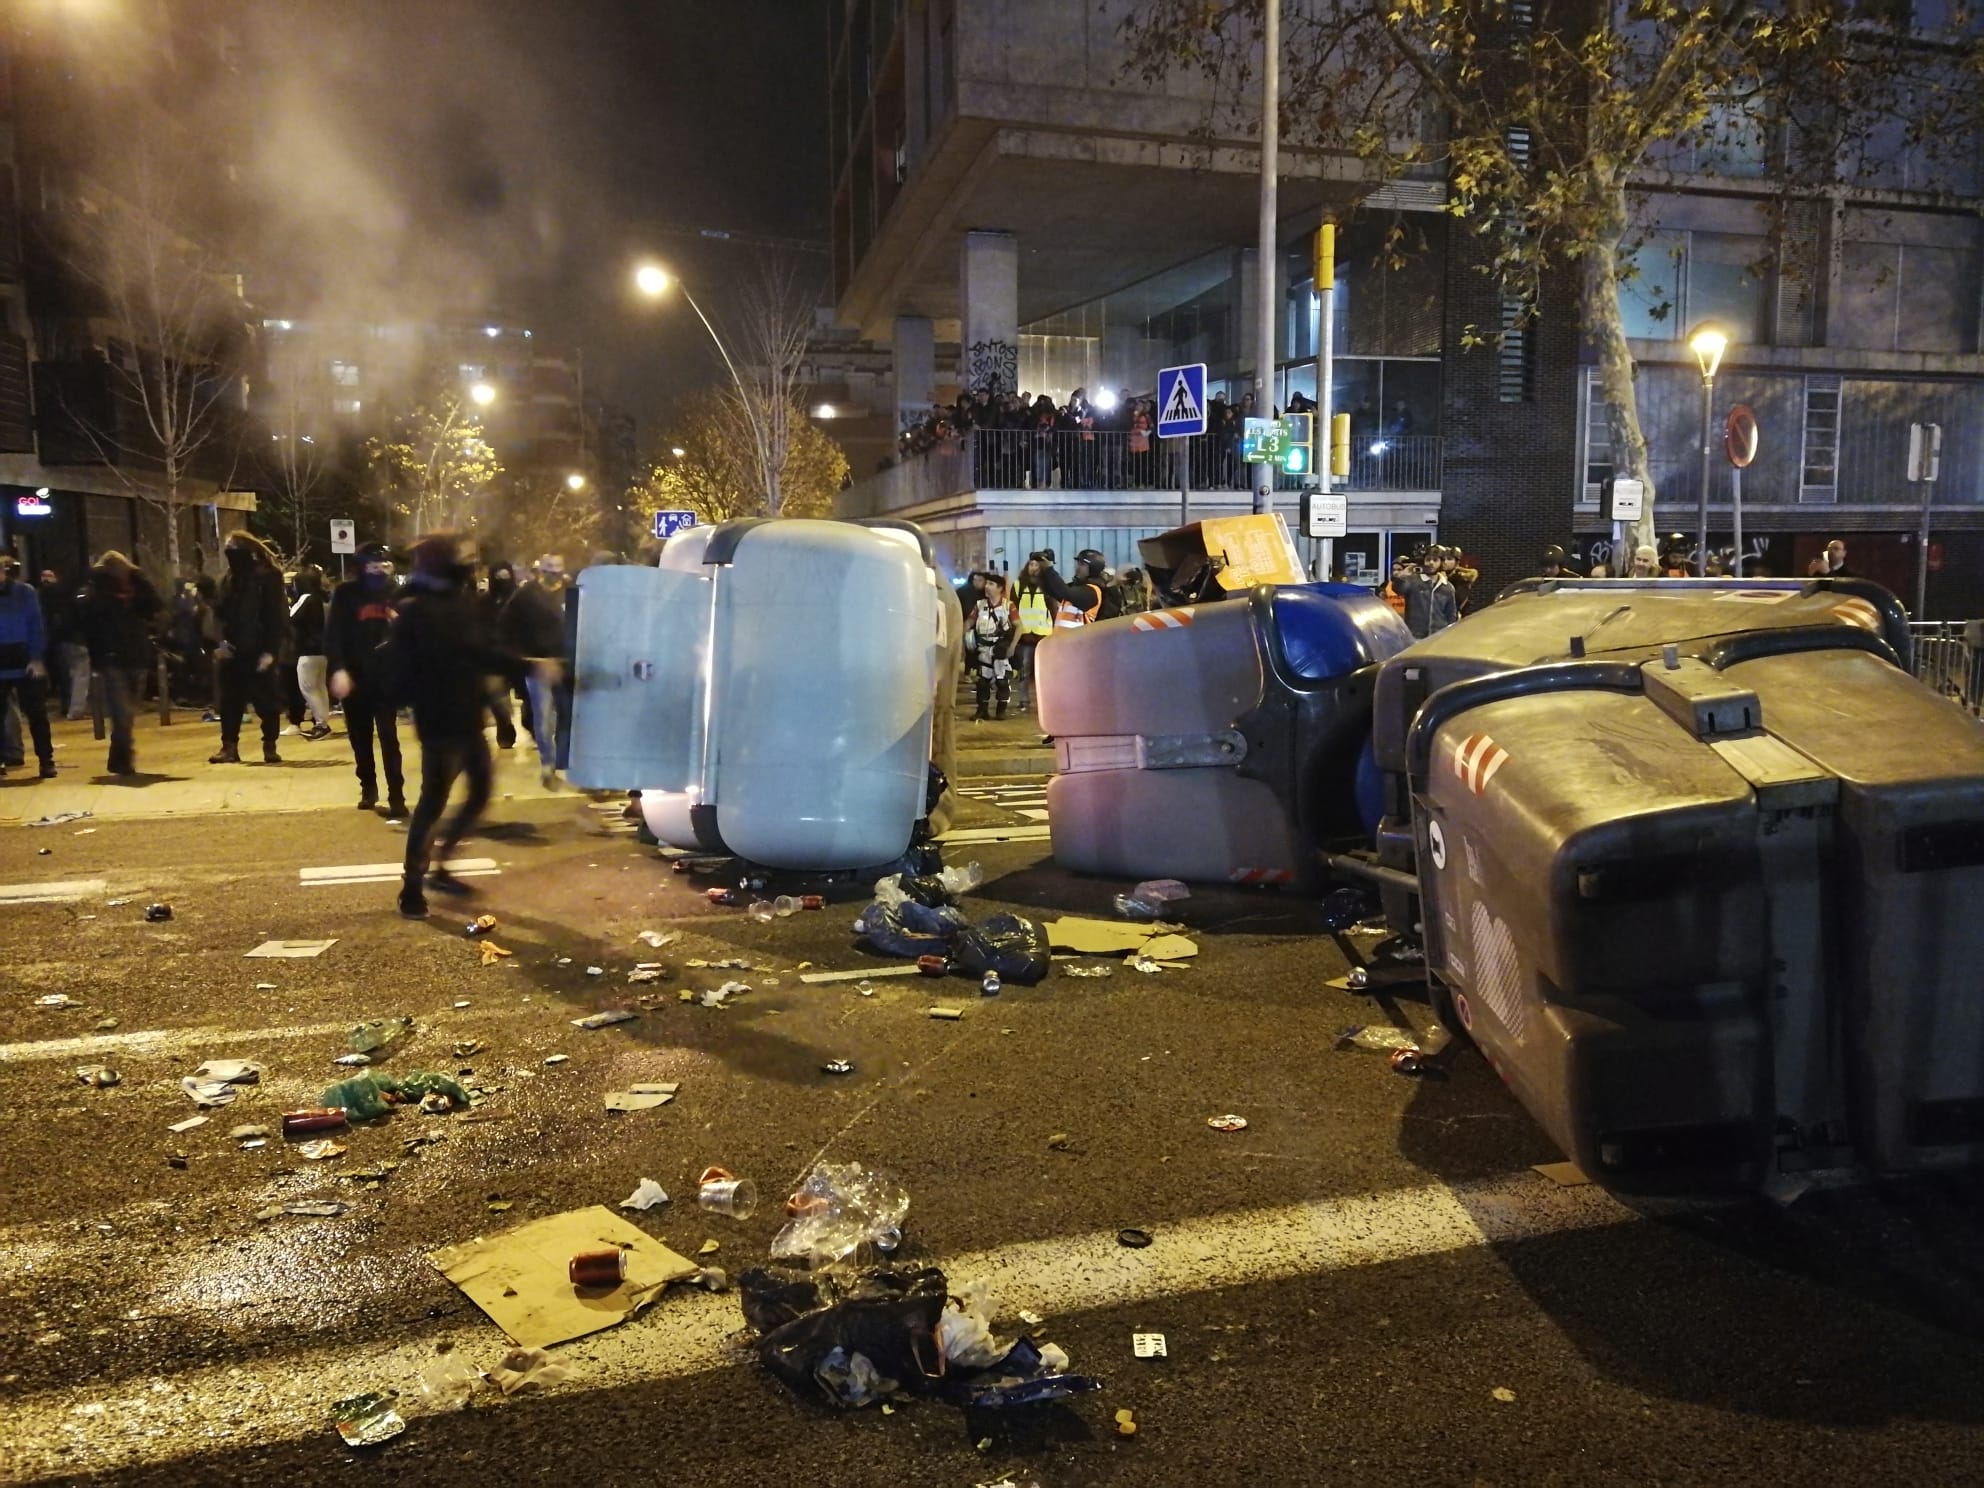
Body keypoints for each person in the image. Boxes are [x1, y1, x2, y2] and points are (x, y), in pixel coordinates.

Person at [389, 533, 525, 919]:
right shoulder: (420, 609)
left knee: (479, 792)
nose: (469, 562)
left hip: (466, 715)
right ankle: (412, 886)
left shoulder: (458, 602)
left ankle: (441, 864)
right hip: (439, 719)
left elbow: (483, 652)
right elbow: (475, 653)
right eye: (461, 556)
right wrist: (528, 666)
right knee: (433, 802)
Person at [327, 542, 406, 816]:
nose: (378, 571)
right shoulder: (346, 594)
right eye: (372, 566)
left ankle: (397, 793)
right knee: (360, 737)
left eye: (383, 566)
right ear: (361, 566)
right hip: (355, 676)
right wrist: (338, 669)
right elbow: (334, 634)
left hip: (386, 677)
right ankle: (368, 786)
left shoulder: (397, 595)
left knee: (389, 736)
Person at [77, 551, 162, 776]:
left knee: (128, 711)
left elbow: (155, 605)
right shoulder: (97, 590)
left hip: (136, 654)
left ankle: (117, 757)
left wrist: (140, 582)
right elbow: (88, 617)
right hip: (111, 656)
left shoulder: (137, 587)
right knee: (122, 710)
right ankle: (124, 759)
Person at [209, 531, 288, 765]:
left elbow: (276, 615)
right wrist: (220, 642)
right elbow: (219, 613)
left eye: (233, 547)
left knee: (266, 700)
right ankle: (229, 747)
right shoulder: (228, 579)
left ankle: (269, 745)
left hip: (258, 648)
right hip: (232, 650)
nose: (229, 552)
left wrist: (271, 650)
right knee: (230, 701)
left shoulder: (267, 577)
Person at [500, 554, 573, 787]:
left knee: (567, 715)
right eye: (549, 568)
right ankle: (548, 763)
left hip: (566, 665)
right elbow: (506, 624)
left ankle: (562, 763)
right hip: (538, 666)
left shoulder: (571, 592)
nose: (554, 573)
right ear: (540, 570)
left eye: (558, 568)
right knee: (543, 719)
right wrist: (522, 657)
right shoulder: (526, 594)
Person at [0, 556, 56, 778]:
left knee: (37, 714)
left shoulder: (24, 592)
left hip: (23, 659)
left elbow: (36, 624)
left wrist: (36, 658)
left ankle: (46, 759)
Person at [289, 565, 333, 740]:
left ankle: (321, 725)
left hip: (308, 651)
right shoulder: (321, 598)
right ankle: (323, 722)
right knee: (320, 688)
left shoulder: (306, 598)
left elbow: (291, 618)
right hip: (322, 651)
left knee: (308, 689)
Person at [39, 568, 89, 721]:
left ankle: (67, 706)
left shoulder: (40, 595)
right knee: (79, 673)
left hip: (59, 640)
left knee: (65, 675)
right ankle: (74, 709)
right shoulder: (66, 597)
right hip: (70, 639)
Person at [967, 573, 1017, 721]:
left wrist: (1012, 646)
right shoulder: (979, 605)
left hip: (1000, 649)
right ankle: (982, 710)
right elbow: (969, 622)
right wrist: (962, 636)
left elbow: (1019, 626)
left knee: (1002, 681)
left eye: (991, 584)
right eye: (986, 583)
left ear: (1000, 588)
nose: (986, 586)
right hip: (983, 650)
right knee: (982, 682)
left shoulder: (1008, 606)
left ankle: (1001, 711)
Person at [1398, 546, 1458, 639]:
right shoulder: (1413, 581)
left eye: (1435, 560)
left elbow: (1451, 615)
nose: (1431, 563)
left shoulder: (1448, 587)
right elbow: (1398, 589)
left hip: (1439, 637)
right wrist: (1402, 577)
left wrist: (1450, 635)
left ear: (1441, 562)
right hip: (1415, 636)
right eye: (1428, 559)